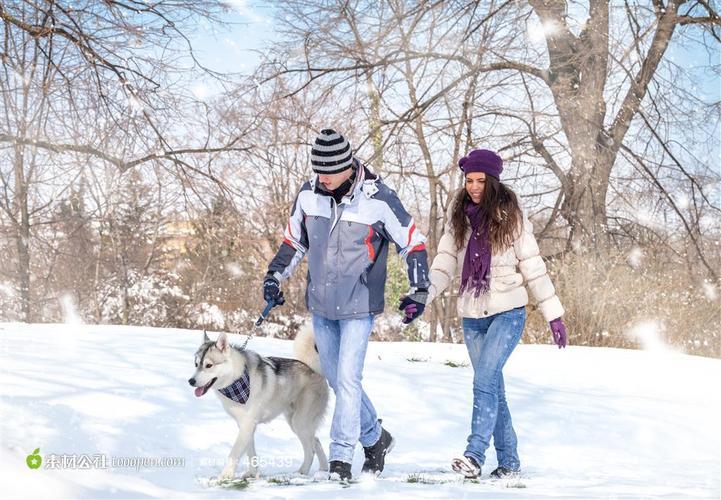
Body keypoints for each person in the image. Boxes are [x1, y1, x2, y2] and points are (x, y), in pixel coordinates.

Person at [263, 128, 430, 480]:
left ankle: (341, 459)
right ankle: (375, 438)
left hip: (359, 304)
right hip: (322, 306)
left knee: (349, 380)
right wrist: (274, 278)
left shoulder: (379, 198)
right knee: (339, 381)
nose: (321, 178)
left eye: (328, 171)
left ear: (347, 166)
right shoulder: (309, 195)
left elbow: (413, 242)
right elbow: (294, 241)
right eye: (317, 170)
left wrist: (419, 288)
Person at [413, 149, 567, 479]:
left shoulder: (511, 217)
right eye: (469, 180)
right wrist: (422, 297)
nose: (473, 186)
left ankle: (474, 453)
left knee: (484, 381)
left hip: (507, 312)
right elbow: (444, 265)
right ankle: (509, 463)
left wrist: (553, 314)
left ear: (493, 181)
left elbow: (534, 268)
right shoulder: (458, 218)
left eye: (480, 180)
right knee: (492, 388)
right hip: (472, 315)